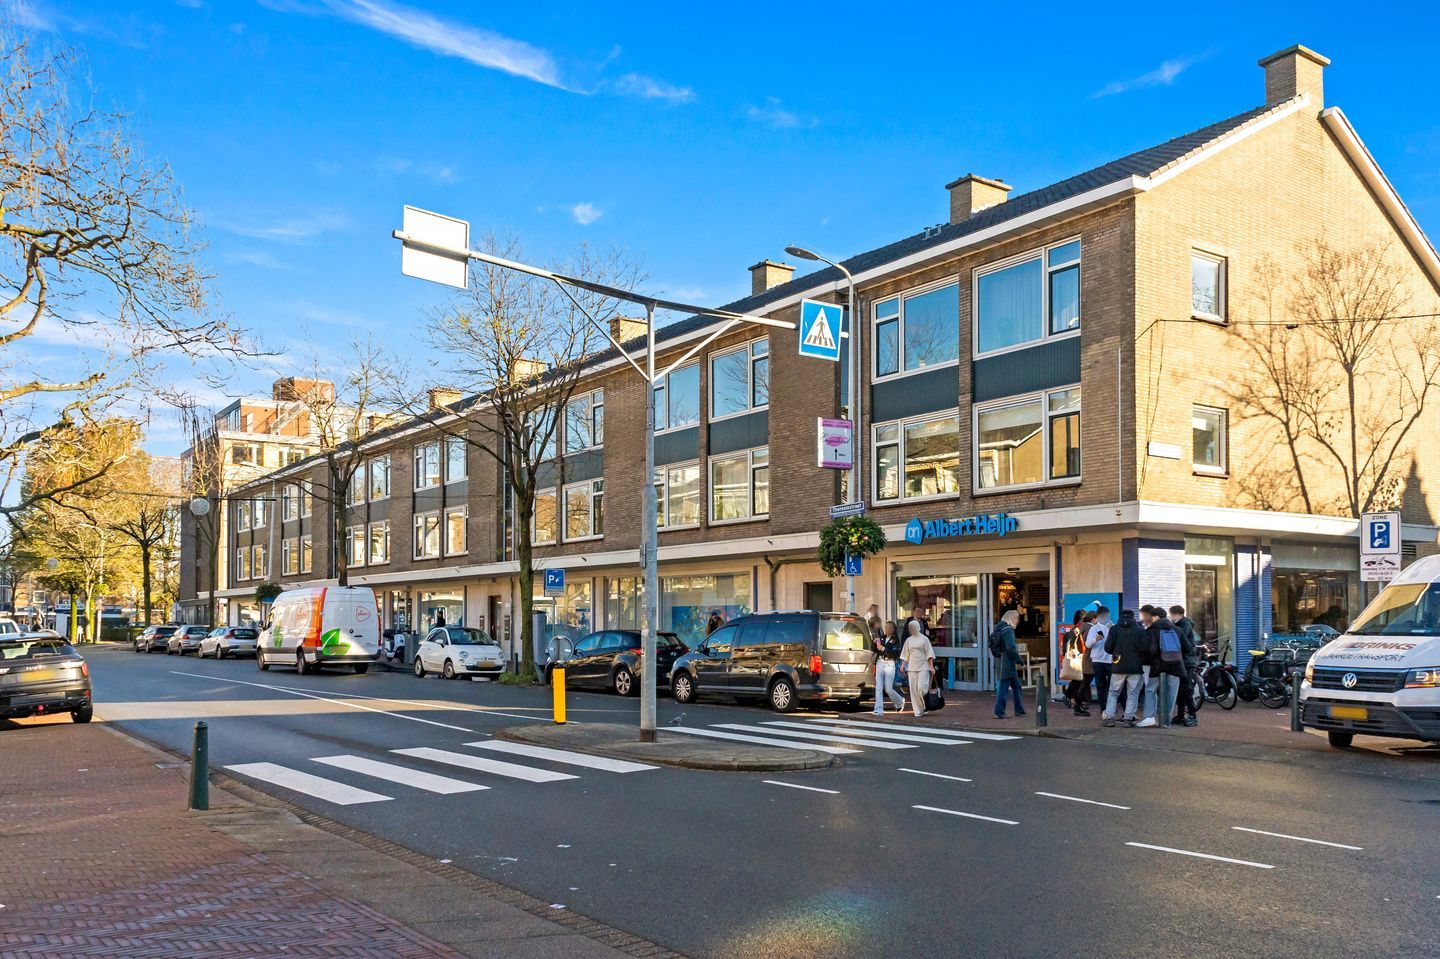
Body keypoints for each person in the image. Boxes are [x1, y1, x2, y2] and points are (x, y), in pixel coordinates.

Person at [1138, 605, 1188, 728]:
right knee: (1171, 693)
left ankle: (1149, 717)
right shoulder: (1177, 629)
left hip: (1158, 666)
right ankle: (1166, 719)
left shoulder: (1152, 630)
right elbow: (1188, 648)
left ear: (1156, 617)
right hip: (1176, 666)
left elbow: (1152, 651)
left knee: (1150, 690)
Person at [1102, 609, 1148, 727]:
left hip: (1118, 665)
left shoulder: (1114, 629)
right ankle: (1128, 719)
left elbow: (1108, 648)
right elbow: (1145, 648)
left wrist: (1117, 651)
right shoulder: (1140, 630)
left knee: (1113, 692)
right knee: (1133, 694)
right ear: (1133, 617)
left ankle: (1110, 717)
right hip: (1135, 666)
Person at [1167, 604, 1200, 728]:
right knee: (1181, 689)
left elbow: (1180, 641)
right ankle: (1180, 715)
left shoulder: (1184, 624)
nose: (1171, 616)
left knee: (1186, 689)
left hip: (1186, 661)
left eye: (1172, 614)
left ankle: (1192, 716)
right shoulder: (1180, 624)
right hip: (1182, 660)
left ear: (1179, 614)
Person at [990, 609, 1025, 719]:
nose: (1018, 621)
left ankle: (1019, 709)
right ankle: (999, 711)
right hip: (1007, 663)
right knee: (1004, 688)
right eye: (1017, 618)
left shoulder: (999, 629)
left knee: (1016, 686)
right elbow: (1010, 648)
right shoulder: (1008, 631)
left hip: (1001, 661)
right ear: (1012, 619)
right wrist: (1020, 660)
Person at [900, 621, 935, 718]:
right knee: (913, 689)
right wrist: (903, 665)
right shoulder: (908, 640)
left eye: (912, 627)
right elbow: (906, 654)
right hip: (912, 667)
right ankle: (918, 710)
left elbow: (929, 654)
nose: (911, 629)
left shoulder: (924, 639)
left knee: (922, 687)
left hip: (923, 666)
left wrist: (931, 666)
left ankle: (925, 705)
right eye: (910, 627)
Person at [873, 621, 904, 715]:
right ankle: (878, 709)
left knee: (888, 689)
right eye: (886, 627)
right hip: (880, 663)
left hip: (889, 664)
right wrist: (874, 642)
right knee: (879, 687)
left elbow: (893, 654)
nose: (886, 629)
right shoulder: (881, 638)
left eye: (889, 627)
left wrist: (882, 648)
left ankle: (899, 702)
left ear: (893, 629)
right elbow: (875, 650)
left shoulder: (895, 641)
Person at [1087, 606, 1113, 713]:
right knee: (1100, 685)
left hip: (1110, 660)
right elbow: (1088, 644)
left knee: (1112, 685)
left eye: (1107, 615)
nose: (1105, 617)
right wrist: (1095, 639)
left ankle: (1111, 706)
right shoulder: (1094, 628)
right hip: (1097, 660)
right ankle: (1103, 708)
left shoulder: (1112, 627)